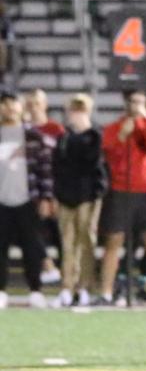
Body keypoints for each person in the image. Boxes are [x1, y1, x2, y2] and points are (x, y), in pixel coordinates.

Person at [98, 88, 146, 305]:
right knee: (114, 242)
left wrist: (145, 121)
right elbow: (109, 153)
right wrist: (122, 135)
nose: (137, 105)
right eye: (133, 101)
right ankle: (106, 293)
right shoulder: (114, 128)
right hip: (121, 190)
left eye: (141, 101)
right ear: (126, 103)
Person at [0, 89, 54, 308]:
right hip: (2, 201)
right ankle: (1, 290)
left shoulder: (33, 135)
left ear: (20, 107)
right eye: (4, 103)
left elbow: (45, 169)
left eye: (13, 103)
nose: (9, 107)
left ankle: (35, 290)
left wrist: (46, 197)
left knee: (31, 248)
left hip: (27, 199)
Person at [52, 94, 106, 307]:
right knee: (67, 243)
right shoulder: (63, 138)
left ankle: (84, 287)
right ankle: (67, 286)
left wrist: (83, 131)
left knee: (86, 242)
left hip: (88, 196)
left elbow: (92, 161)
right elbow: (58, 166)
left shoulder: (95, 135)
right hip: (66, 195)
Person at [22, 88, 65, 285]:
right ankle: (48, 266)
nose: (33, 108)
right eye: (29, 105)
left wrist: (55, 195)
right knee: (30, 230)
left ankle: (67, 277)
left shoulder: (55, 129)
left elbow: (63, 161)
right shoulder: (22, 130)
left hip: (55, 188)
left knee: (60, 234)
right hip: (29, 190)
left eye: (36, 104)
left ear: (45, 105)